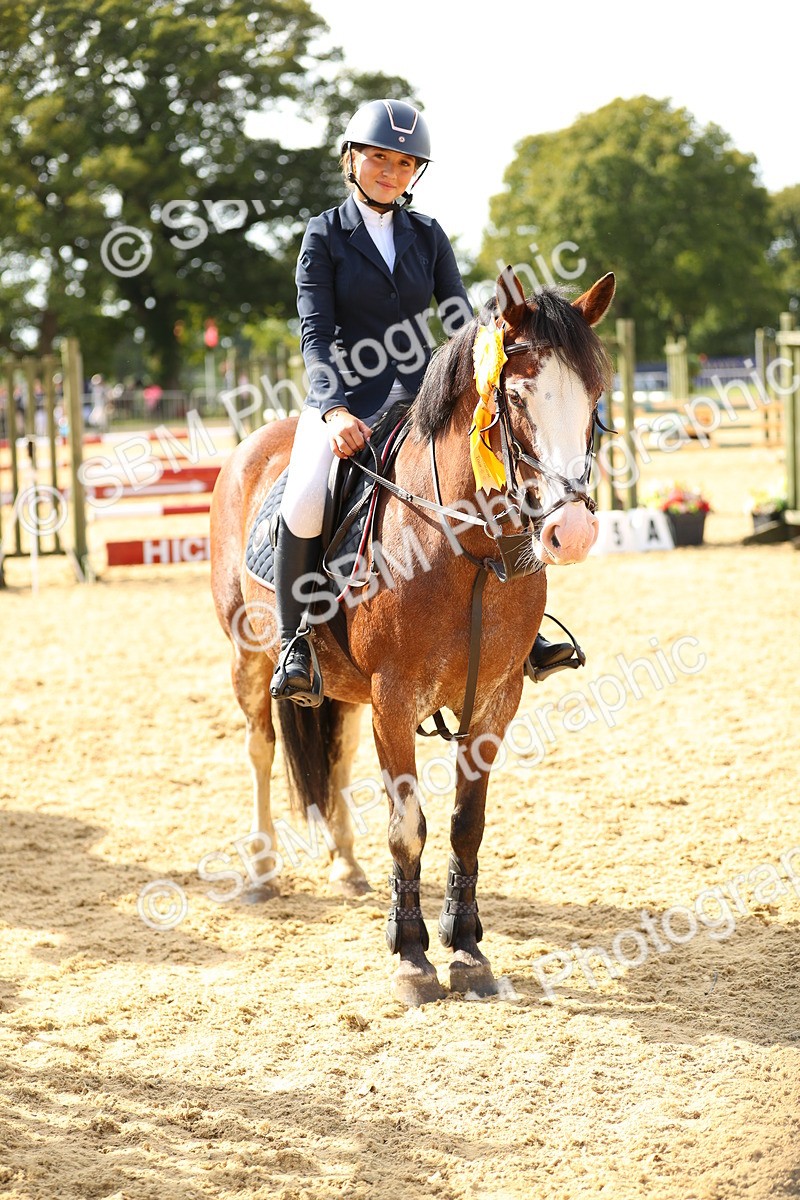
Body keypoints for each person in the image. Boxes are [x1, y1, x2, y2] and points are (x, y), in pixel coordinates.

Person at [270, 99, 573, 704]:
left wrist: (502, 340)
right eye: (379, 157)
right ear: (351, 160)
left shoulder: (427, 235)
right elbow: (315, 334)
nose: (391, 171)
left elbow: (459, 320)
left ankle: (527, 629)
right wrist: (331, 410)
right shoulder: (324, 235)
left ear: (416, 173)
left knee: (494, 474)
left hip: (421, 395)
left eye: (405, 163)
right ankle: (295, 641)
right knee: (305, 496)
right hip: (346, 398)